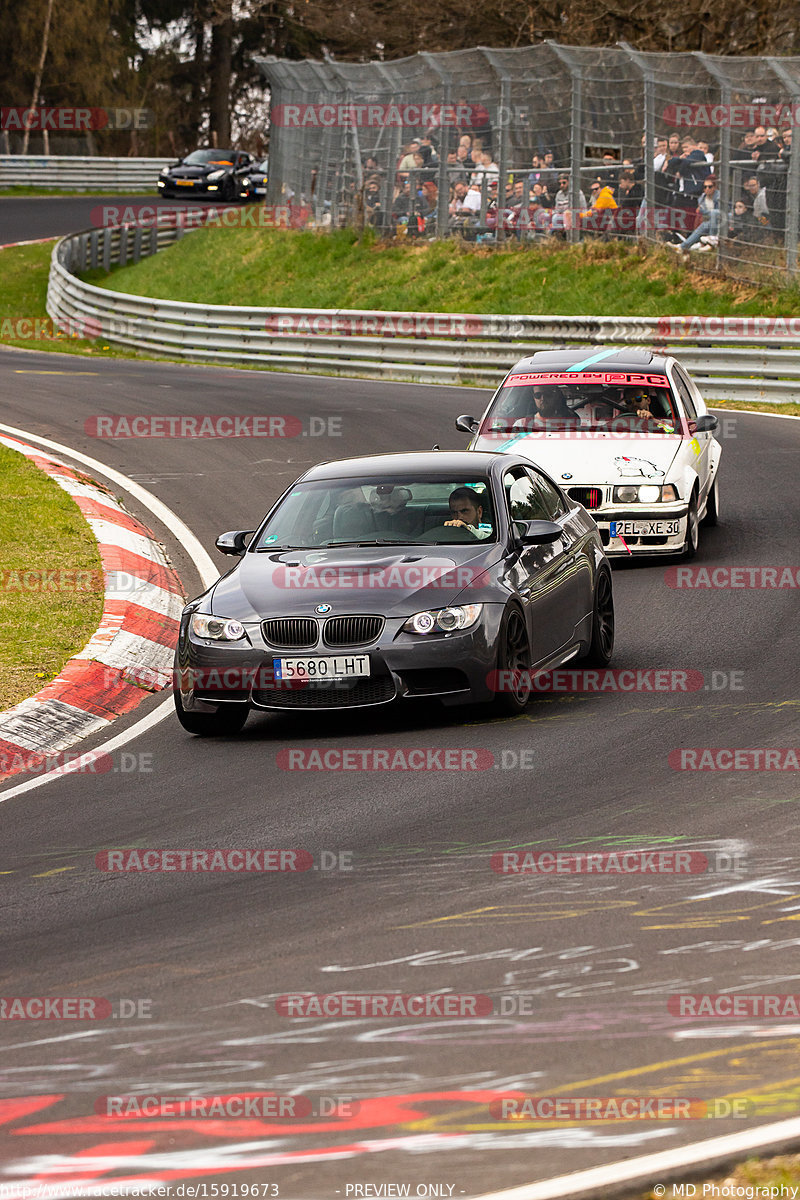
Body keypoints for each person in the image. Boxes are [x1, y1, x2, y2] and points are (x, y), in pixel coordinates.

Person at [668, 175, 719, 254]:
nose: (707, 189)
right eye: (705, 187)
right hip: (707, 222)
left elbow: (719, 213)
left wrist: (704, 212)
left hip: (719, 223)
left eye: (710, 187)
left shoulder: (718, 197)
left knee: (713, 215)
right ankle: (682, 247)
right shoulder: (702, 198)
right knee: (704, 225)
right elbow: (700, 212)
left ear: (715, 187)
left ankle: (709, 241)